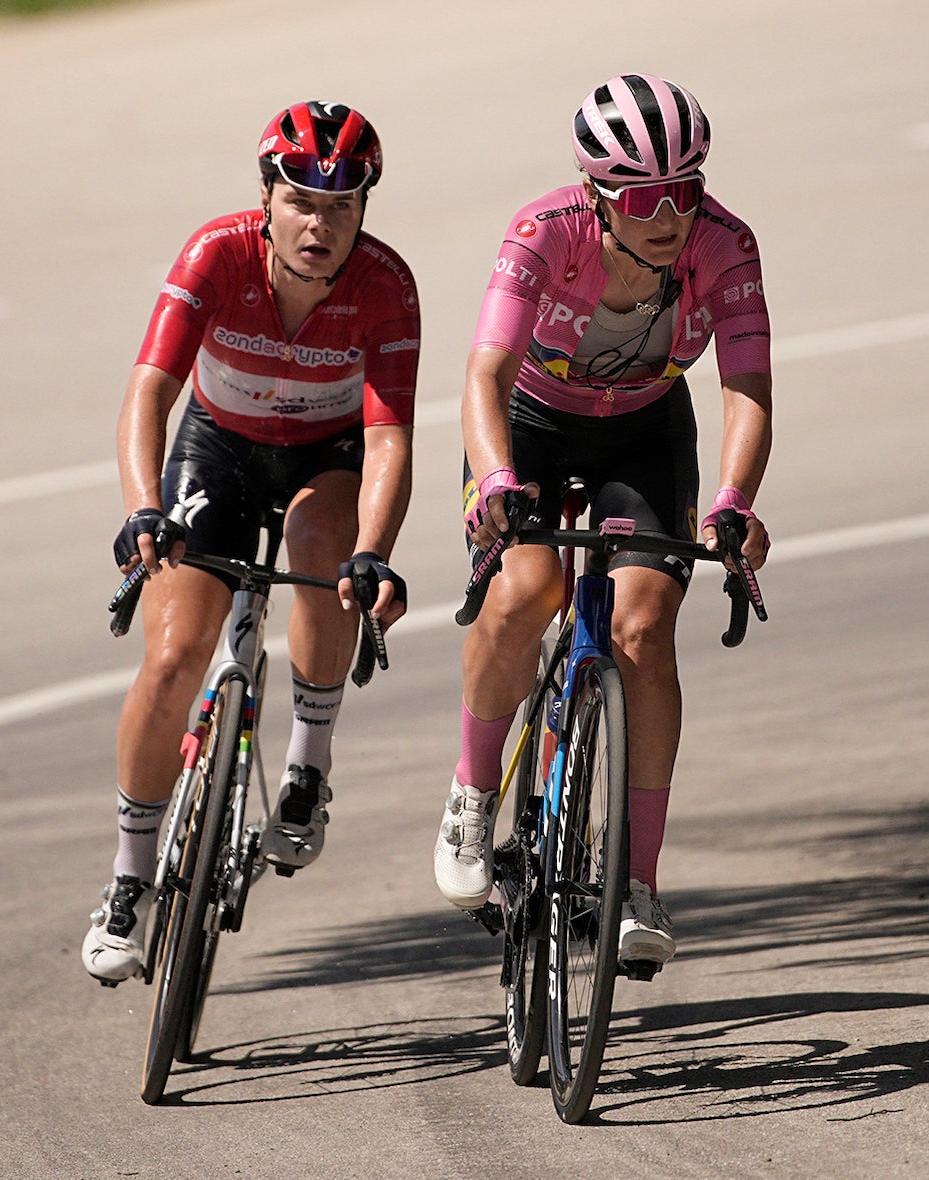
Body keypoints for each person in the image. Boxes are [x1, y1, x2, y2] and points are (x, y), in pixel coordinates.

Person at [436, 74, 772, 972]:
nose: (669, 216)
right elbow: (485, 375)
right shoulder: (544, 235)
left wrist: (734, 501)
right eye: (642, 198)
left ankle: (638, 882)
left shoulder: (726, 247)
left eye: (686, 191)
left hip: (646, 426)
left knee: (643, 625)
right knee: (530, 585)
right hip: (533, 426)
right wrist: (497, 478)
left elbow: (747, 390)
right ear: (596, 194)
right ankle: (472, 792)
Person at [81, 101, 418, 984]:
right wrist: (143, 506)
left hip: (326, 457)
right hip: (220, 447)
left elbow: (388, 438)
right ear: (266, 197)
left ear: (364, 212)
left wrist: (372, 549)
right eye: (302, 199)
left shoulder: (385, 284)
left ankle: (308, 765)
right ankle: (127, 880)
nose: (320, 223)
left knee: (322, 541)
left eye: (342, 206)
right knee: (173, 654)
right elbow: (149, 391)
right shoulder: (214, 254)